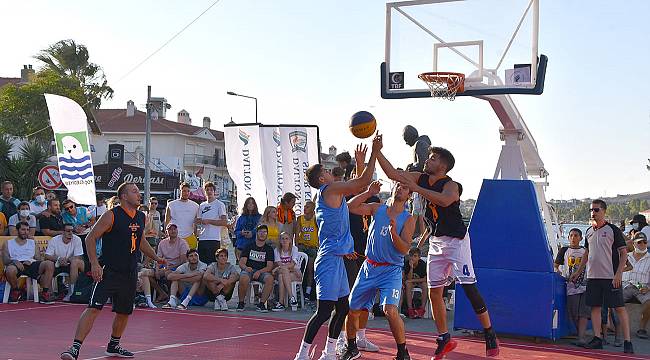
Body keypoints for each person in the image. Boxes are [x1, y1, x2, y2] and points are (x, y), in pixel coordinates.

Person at [375, 144, 500, 359]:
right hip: (436, 241)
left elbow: (442, 200)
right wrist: (377, 152)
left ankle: (489, 333)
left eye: (432, 158)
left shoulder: (451, 185)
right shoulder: (419, 177)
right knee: (434, 291)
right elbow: (393, 174)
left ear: (442, 166)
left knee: (469, 288)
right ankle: (444, 338)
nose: (427, 160)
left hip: (456, 242)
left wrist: (416, 188)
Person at [293, 137, 379, 360]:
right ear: (322, 178)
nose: (332, 172)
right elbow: (362, 181)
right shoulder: (328, 189)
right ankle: (301, 355)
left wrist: (361, 168)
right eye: (328, 171)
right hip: (330, 259)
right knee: (324, 311)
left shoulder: (332, 193)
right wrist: (375, 153)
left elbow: (354, 193)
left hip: (338, 256)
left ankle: (328, 352)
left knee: (342, 308)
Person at [59, 182, 167, 360]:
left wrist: (156, 258)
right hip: (109, 271)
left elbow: (140, 241)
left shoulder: (141, 216)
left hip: (130, 272)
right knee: (94, 307)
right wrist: (94, 264)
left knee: (124, 311)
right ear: (124, 196)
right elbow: (90, 238)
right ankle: (74, 348)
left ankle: (114, 345)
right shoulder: (111, 215)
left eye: (139, 192)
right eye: (134, 192)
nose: (139, 195)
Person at [341, 181, 415, 360]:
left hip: (391, 270)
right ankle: (351, 347)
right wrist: (368, 192)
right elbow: (350, 206)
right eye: (398, 184)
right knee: (352, 309)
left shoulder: (408, 218)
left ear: (409, 196)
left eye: (405, 187)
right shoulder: (377, 208)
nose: (400, 188)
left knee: (390, 310)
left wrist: (394, 235)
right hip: (369, 266)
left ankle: (403, 353)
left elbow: (405, 249)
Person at [571, 199, 634, 353]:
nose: (593, 213)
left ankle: (628, 342)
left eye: (596, 210)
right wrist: (579, 271)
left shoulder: (613, 230)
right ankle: (597, 338)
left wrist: (618, 274)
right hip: (593, 277)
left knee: (619, 308)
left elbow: (623, 253)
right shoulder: (588, 232)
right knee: (595, 307)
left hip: (610, 277)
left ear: (604, 211)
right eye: (591, 210)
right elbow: (587, 253)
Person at [1, 221, 56, 304]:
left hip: (31, 264)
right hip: (16, 264)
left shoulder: (32, 242)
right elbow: (5, 260)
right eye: (23, 230)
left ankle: (45, 292)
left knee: (49, 264)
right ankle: (16, 291)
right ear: (17, 230)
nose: (25, 232)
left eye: (27, 230)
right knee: (10, 269)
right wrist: (15, 261)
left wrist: (30, 261)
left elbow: (38, 258)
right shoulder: (8, 243)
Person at [554, 228, 590, 346]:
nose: (573, 238)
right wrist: (560, 275)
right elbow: (556, 266)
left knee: (584, 312)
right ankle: (579, 332)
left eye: (576, 236)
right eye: (571, 236)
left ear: (580, 238)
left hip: (585, 285)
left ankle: (581, 337)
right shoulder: (564, 250)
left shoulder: (586, 251)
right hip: (570, 286)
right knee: (573, 311)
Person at [236, 224, 275, 312]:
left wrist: (259, 272)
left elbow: (269, 266)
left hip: (262, 271)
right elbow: (241, 262)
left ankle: (261, 304)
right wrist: (246, 268)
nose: (262, 234)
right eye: (260, 232)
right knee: (243, 278)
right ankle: (241, 303)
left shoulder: (269, 249)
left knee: (270, 279)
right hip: (249, 270)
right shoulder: (249, 246)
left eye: (265, 232)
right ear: (256, 233)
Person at [45, 223, 85, 302]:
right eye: (68, 231)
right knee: (48, 264)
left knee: (75, 262)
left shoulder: (77, 239)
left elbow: (79, 256)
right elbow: (47, 256)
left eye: (72, 231)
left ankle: (72, 292)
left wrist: (67, 260)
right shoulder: (54, 240)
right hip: (57, 264)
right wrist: (59, 259)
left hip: (71, 263)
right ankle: (48, 293)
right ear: (62, 232)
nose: (70, 233)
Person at [621, 232, 650, 339]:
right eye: (639, 242)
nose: (642, 244)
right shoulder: (625, 256)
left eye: (644, 242)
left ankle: (642, 328)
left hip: (642, 288)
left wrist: (648, 288)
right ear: (633, 244)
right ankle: (611, 326)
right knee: (611, 298)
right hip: (624, 285)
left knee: (649, 302)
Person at [196, 182, 228, 267]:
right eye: (207, 190)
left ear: (214, 191)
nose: (209, 192)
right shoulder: (202, 205)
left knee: (213, 265)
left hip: (214, 239)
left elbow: (224, 222)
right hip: (202, 239)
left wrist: (209, 221)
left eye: (211, 190)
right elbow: (198, 220)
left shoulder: (220, 205)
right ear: (204, 191)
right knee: (202, 265)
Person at [272, 232, 302, 311]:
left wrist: (277, 268)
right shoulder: (277, 250)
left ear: (290, 240)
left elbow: (292, 265)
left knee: (282, 274)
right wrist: (284, 268)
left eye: (286, 238)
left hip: (296, 275)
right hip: (286, 273)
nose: (284, 240)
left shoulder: (294, 249)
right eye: (282, 239)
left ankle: (281, 303)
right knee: (281, 276)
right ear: (280, 241)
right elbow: (282, 266)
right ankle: (291, 297)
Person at [165, 182, 199, 250]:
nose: (186, 193)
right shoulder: (171, 205)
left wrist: (195, 235)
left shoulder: (195, 206)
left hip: (189, 237)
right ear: (180, 191)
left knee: (189, 259)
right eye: (184, 191)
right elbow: (167, 221)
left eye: (188, 191)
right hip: (175, 237)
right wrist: (167, 234)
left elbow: (196, 222)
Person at [296, 200, 318, 300]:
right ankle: (297, 290)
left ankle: (308, 292)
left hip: (312, 247)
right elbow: (297, 234)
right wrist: (296, 248)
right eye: (305, 206)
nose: (305, 208)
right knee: (298, 268)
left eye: (308, 207)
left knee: (310, 269)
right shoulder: (300, 219)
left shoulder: (315, 218)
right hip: (302, 246)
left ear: (313, 209)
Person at [403, 247, 428, 319]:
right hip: (411, 282)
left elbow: (425, 279)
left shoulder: (422, 264)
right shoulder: (407, 263)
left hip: (419, 281)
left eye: (415, 256)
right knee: (408, 284)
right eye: (411, 256)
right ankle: (410, 309)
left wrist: (411, 281)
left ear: (419, 257)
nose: (412, 258)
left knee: (424, 285)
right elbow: (408, 279)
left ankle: (422, 309)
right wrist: (411, 268)